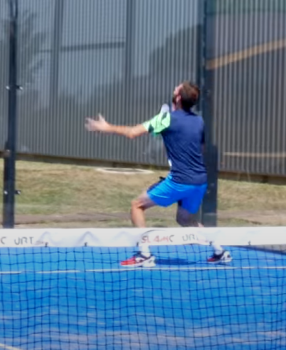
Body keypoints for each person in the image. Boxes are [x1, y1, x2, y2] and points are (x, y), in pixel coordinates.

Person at [85, 81, 231, 268]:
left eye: (177, 88)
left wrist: (106, 127)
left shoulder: (165, 118)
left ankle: (144, 254)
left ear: (178, 97)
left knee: (137, 205)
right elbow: (199, 149)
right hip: (200, 181)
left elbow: (132, 133)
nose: (175, 87)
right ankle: (219, 251)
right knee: (184, 219)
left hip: (180, 181)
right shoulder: (199, 121)